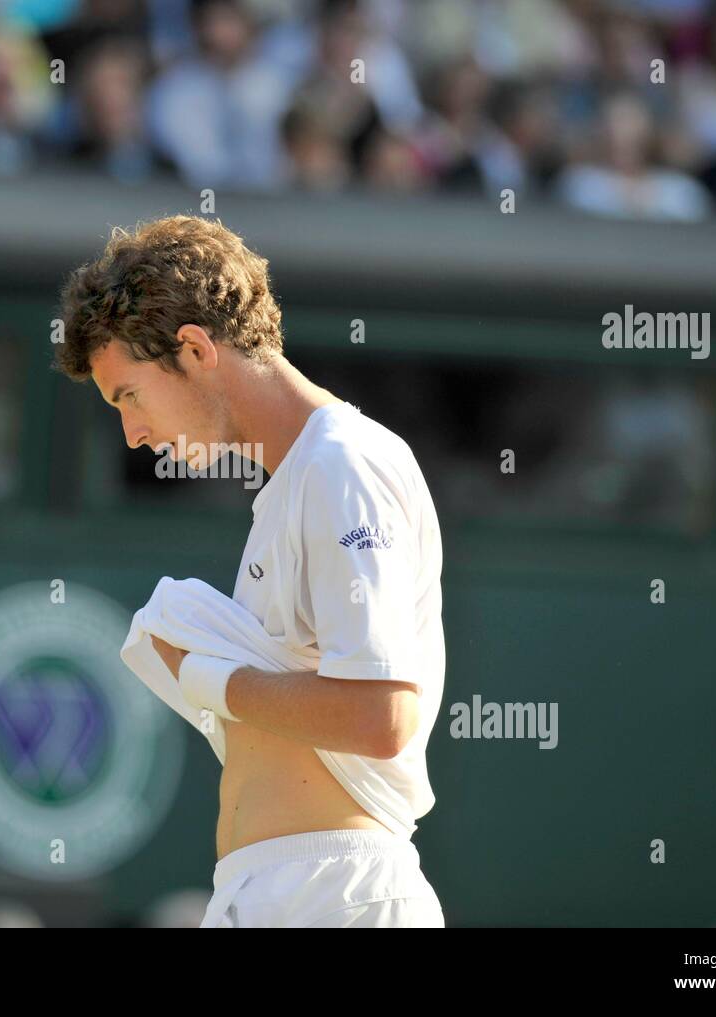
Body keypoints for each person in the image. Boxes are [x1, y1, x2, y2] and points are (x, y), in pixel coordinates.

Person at [54, 215, 446, 928]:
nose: (132, 434)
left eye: (129, 396)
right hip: (280, 892)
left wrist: (206, 677)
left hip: (337, 895)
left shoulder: (342, 463)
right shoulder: (298, 480)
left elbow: (382, 715)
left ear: (196, 349)